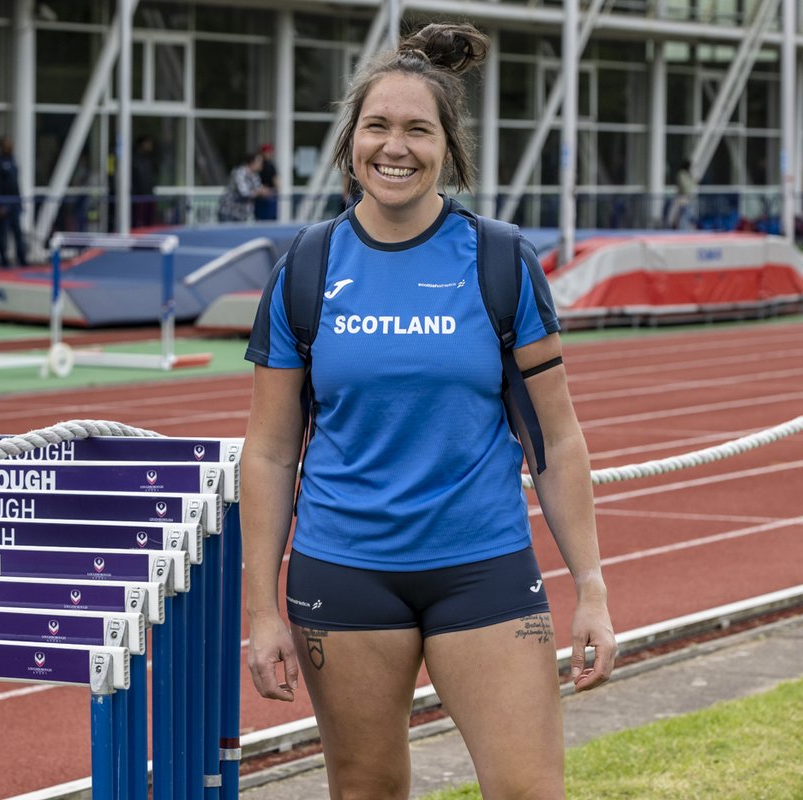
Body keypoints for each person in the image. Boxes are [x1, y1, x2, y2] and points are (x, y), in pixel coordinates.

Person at [240, 23, 616, 800]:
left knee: (528, 790)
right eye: (377, 126)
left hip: (480, 568)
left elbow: (557, 438)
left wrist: (594, 589)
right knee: (367, 791)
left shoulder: (499, 259)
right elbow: (272, 451)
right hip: (344, 575)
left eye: (418, 128)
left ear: (448, 148)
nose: (395, 146)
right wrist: (263, 613)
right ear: (351, 143)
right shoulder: (306, 269)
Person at [0, 135, 27, 266]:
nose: (11, 147)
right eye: (8, 144)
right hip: (4, 202)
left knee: (18, 233)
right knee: (3, 234)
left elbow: (16, 183)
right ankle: (3, 261)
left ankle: (22, 258)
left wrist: (19, 200)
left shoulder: (13, 160)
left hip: (14, 202)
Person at [217, 150, 271, 222]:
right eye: (259, 162)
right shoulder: (239, 172)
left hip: (242, 215)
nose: (261, 164)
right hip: (228, 213)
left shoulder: (255, 176)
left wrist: (264, 192)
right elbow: (244, 193)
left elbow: (259, 189)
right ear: (252, 162)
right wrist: (260, 192)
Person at [131, 135, 157, 229]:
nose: (150, 146)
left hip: (148, 195)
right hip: (138, 197)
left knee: (148, 223)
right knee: (138, 223)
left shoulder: (149, 160)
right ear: (142, 144)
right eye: (148, 143)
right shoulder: (133, 159)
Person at [253, 143, 279, 221]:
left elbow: (276, 182)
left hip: (266, 195)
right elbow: (276, 182)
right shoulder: (265, 165)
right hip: (263, 197)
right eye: (268, 152)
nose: (270, 154)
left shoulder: (269, 165)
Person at [666, 159, 695, 229]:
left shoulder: (688, 175)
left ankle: (685, 226)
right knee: (674, 212)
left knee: (686, 214)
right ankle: (672, 225)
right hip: (681, 197)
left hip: (687, 197)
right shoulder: (681, 174)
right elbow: (685, 187)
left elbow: (691, 186)